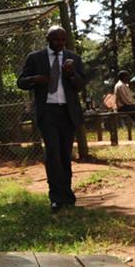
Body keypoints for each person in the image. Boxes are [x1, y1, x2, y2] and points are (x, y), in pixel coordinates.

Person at [17, 26, 87, 213]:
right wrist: (35, 79)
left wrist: (72, 73)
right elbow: (21, 82)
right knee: (53, 153)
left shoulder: (73, 58)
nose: (59, 44)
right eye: (56, 40)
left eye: (63, 40)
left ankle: (67, 195)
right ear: (47, 38)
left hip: (67, 112)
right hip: (47, 112)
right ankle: (55, 197)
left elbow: (80, 86)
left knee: (65, 154)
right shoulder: (35, 58)